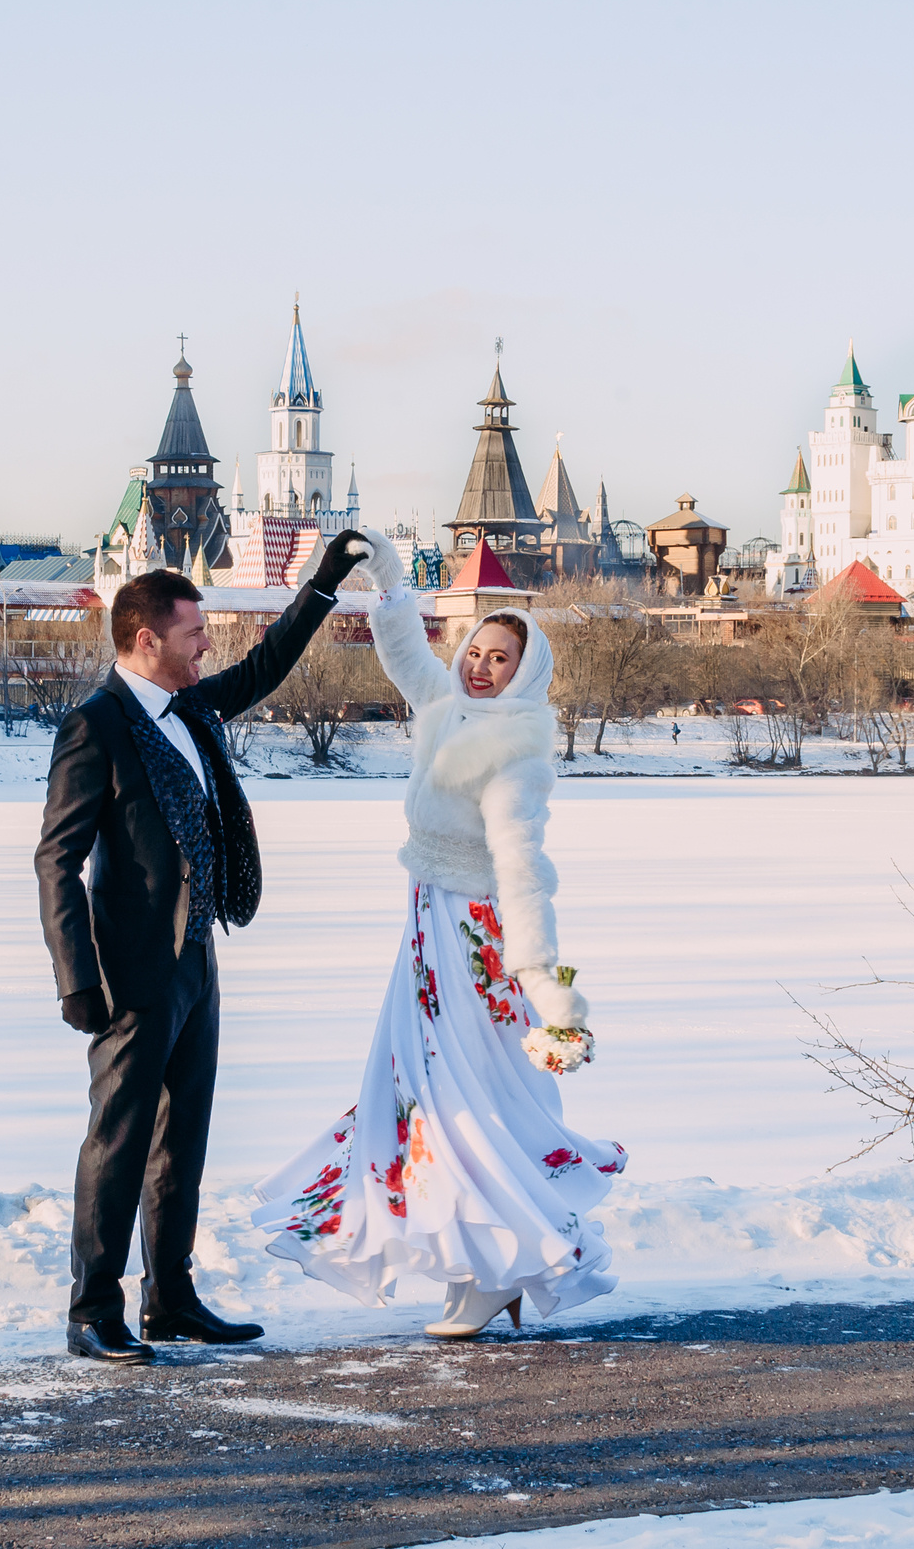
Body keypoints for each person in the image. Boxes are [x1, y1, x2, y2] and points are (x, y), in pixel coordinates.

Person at [255, 528, 624, 1339]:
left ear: (525, 675)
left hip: (472, 941)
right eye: (478, 650)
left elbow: (522, 871)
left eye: (500, 659)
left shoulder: (515, 750)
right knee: (421, 1092)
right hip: (426, 927)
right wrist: (387, 579)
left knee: (464, 1097)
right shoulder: (447, 708)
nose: (480, 666)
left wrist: (548, 987)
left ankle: (502, 1260)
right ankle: (488, 1261)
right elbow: (406, 660)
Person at [36, 530, 372, 1366]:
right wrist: (78, 979)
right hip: (130, 973)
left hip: (195, 959)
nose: (207, 644)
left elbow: (264, 667)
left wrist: (323, 583)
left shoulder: (187, 706)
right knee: (116, 1142)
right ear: (146, 638)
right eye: (194, 633)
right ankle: (91, 1311)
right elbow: (57, 859)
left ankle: (170, 1298)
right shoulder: (98, 724)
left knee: (181, 1138)